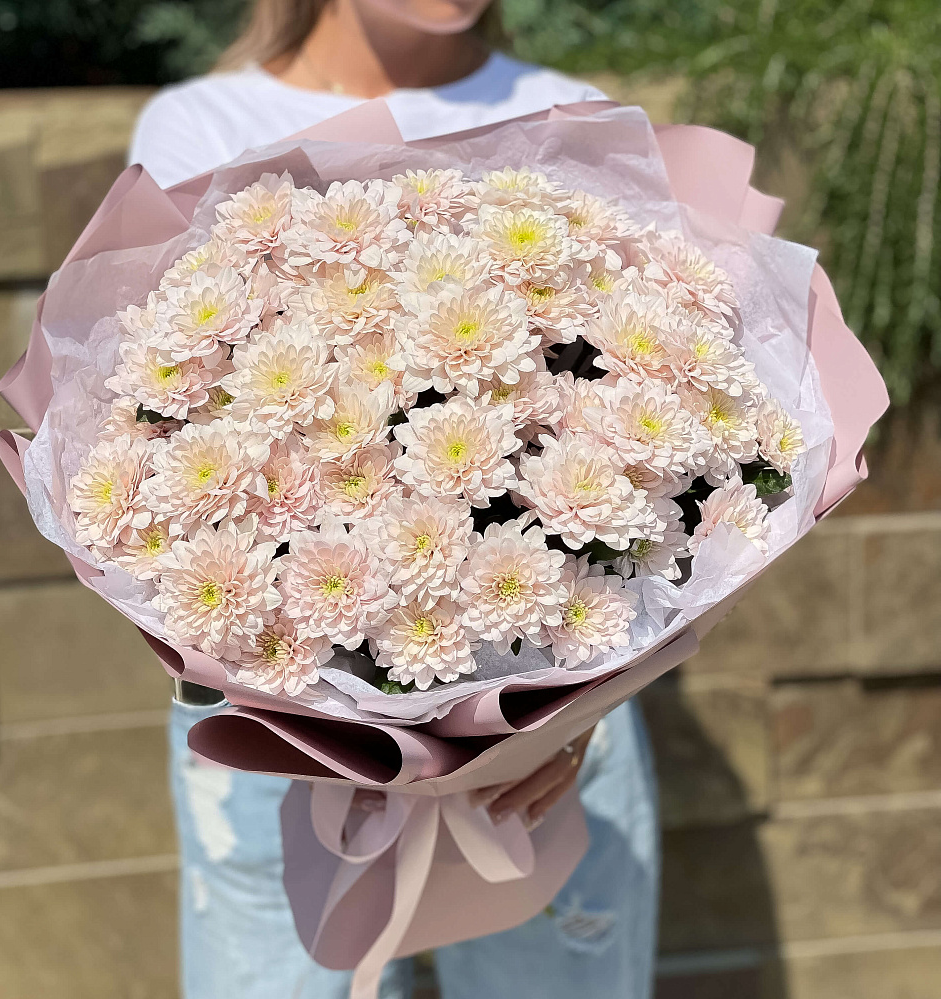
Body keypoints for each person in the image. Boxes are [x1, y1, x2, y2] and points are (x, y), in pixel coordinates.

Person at [128, 2, 659, 996]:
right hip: (273, 729)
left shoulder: (569, 116)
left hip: (549, 733)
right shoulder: (201, 126)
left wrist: (571, 714)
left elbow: (658, 449)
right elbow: (145, 436)